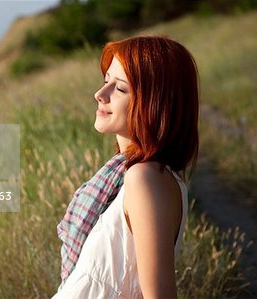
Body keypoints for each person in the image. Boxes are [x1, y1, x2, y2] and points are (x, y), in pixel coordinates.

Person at [52, 36, 199, 299]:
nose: (100, 94)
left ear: (155, 102)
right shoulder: (133, 174)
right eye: (105, 81)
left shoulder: (145, 178)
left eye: (119, 88)